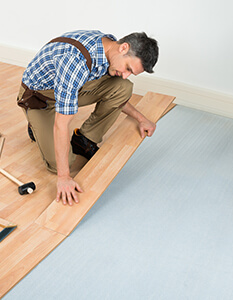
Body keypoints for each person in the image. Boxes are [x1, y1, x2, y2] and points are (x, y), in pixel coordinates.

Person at [17, 30, 159, 206]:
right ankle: (36, 127)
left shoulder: (109, 49)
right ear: (124, 48)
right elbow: (61, 125)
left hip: (69, 87)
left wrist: (141, 118)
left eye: (131, 72)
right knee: (60, 164)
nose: (125, 74)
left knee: (122, 87)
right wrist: (64, 178)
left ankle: (84, 139)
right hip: (40, 99)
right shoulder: (75, 61)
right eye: (128, 68)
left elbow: (118, 95)